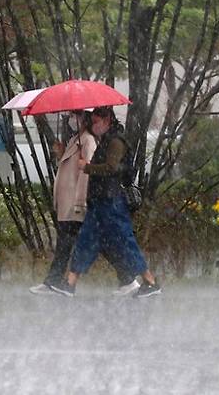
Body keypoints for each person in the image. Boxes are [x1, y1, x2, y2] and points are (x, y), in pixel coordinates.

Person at [50, 106, 161, 298]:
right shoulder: (106, 141)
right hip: (100, 202)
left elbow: (111, 168)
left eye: (96, 122)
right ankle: (70, 282)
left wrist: (88, 167)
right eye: (92, 122)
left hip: (112, 203)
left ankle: (150, 281)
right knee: (86, 241)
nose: (93, 125)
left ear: (107, 119)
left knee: (125, 242)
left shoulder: (116, 141)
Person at [29, 111, 141, 297]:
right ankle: (127, 278)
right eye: (73, 116)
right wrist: (61, 153)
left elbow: (87, 173)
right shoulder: (76, 139)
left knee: (78, 243)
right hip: (69, 203)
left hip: (76, 203)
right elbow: (72, 167)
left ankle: (55, 282)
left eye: (77, 116)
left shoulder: (87, 140)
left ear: (86, 119)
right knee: (93, 243)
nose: (73, 120)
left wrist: (81, 201)